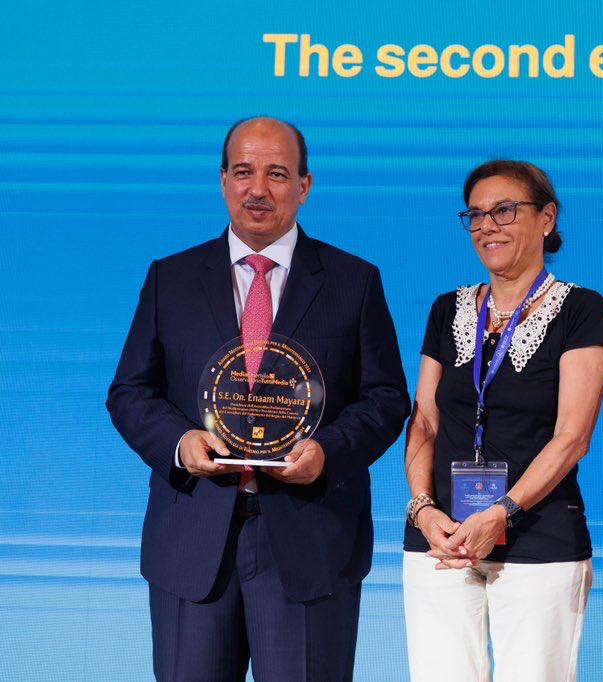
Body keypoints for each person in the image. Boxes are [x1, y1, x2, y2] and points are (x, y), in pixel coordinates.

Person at [106, 116, 410, 681]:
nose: (258, 189)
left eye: (277, 173)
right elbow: (130, 391)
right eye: (244, 172)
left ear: (304, 186)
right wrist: (180, 443)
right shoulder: (171, 278)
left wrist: (328, 453)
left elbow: (386, 398)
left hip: (310, 541)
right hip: (193, 538)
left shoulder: (353, 281)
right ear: (223, 180)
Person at [402, 160, 603, 681]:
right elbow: (424, 420)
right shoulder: (447, 309)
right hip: (441, 539)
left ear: (547, 218)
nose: (486, 226)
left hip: (538, 540)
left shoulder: (581, 310)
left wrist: (501, 513)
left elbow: (573, 437)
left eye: (503, 210)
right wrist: (423, 509)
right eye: (475, 215)